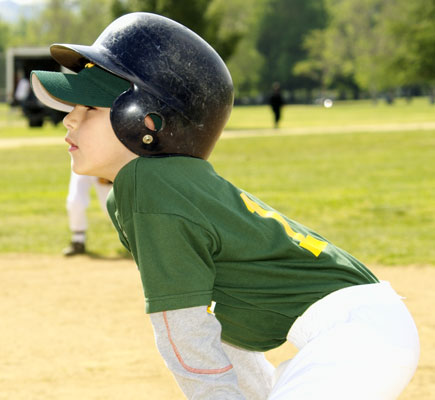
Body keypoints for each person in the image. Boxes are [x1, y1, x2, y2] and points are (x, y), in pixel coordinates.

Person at [30, 13, 419, 399]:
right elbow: (217, 328)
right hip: (365, 328)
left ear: (147, 122)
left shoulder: (150, 188)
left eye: (89, 109)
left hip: (357, 338)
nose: (69, 120)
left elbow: (185, 333)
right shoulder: (161, 185)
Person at [63, 169, 113, 256]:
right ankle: (78, 241)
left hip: (102, 166)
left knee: (110, 208)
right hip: (81, 166)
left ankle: (130, 240)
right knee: (75, 201)